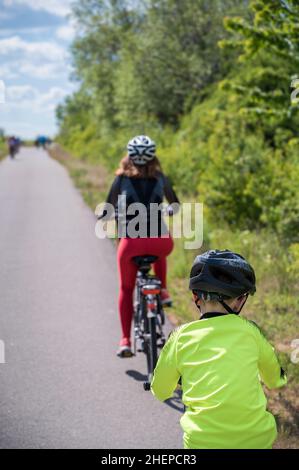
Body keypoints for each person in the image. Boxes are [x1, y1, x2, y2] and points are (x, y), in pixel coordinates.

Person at [151, 249, 287, 449]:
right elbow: (275, 380)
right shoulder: (251, 332)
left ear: (195, 297)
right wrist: (279, 377)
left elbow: (160, 390)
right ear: (240, 300)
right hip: (257, 440)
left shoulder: (180, 337)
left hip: (203, 443)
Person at [98, 135, 180, 358]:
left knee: (126, 289)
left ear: (128, 157)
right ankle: (162, 290)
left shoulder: (121, 179)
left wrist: (106, 216)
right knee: (158, 251)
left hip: (130, 244)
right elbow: (175, 205)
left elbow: (107, 208)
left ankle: (125, 340)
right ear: (154, 157)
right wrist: (169, 211)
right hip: (161, 242)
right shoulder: (161, 177)